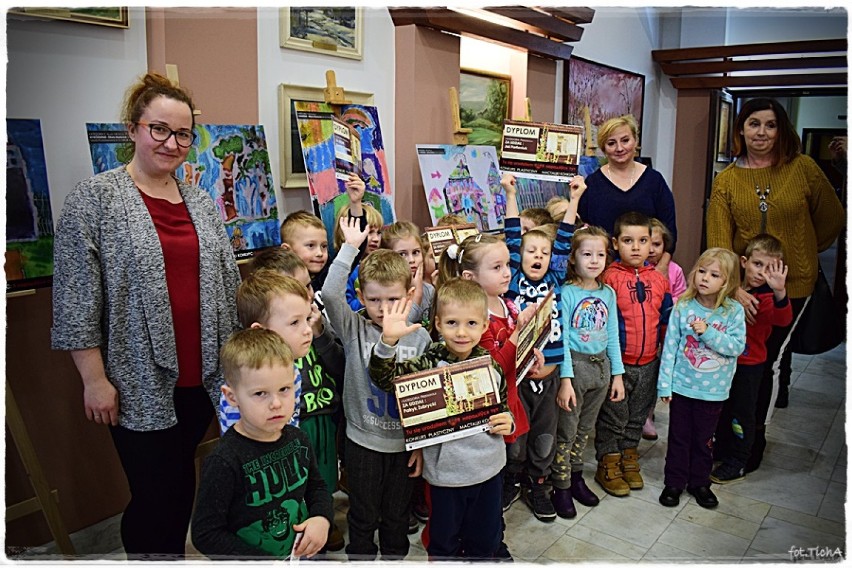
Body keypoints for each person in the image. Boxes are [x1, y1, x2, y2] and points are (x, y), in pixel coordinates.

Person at [51, 72, 240, 558]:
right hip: (136, 382)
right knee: (154, 495)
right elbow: (75, 301)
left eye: (182, 134)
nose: (171, 143)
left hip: (203, 378)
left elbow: (227, 283)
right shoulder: (95, 199)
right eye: (159, 129)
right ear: (133, 128)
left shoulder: (200, 201)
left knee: (180, 490)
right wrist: (94, 380)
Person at [706, 97, 844, 470]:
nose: (761, 132)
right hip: (742, 292)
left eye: (770, 124)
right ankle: (729, 436)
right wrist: (733, 286)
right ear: (741, 130)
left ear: (781, 130)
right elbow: (719, 242)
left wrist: (804, 254)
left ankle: (752, 444)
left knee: (766, 365)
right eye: (753, 124)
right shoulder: (728, 180)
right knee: (737, 365)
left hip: (792, 288)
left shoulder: (803, 169)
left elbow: (832, 218)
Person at [368, 279, 514, 560]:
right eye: (452, 323)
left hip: (489, 472)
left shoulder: (490, 365)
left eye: (471, 323)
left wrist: (508, 422)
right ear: (437, 324)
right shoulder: (428, 362)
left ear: (485, 325)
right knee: (443, 545)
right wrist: (388, 342)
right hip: (445, 479)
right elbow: (385, 378)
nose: (461, 332)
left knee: (485, 541)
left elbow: (503, 408)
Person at [321, 217, 432, 561]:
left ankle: (394, 557)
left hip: (402, 446)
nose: (384, 310)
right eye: (374, 300)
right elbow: (328, 293)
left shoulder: (421, 337)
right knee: (363, 513)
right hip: (362, 444)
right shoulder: (354, 328)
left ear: (410, 295)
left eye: (393, 300)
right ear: (360, 297)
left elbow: (427, 400)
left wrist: (419, 445)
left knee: (397, 515)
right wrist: (349, 248)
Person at [191, 328, 333, 559]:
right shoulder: (224, 461)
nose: (276, 403)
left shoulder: (299, 439)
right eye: (260, 394)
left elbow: (316, 487)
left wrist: (321, 518)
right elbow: (206, 533)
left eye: (284, 389)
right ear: (232, 397)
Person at [248, 249, 347, 551]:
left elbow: (339, 366)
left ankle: (320, 520)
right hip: (293, 428)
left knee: (322, 478)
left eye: (308, 285)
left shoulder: (311, 326)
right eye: (299, 288)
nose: (309, 294)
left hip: (323, 418)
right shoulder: (260, 364)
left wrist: (318, 332)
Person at [501, 172, 585, 522]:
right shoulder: (512, 283)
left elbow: (565, 239)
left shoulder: (555, 281)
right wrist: (510, 193)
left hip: (548, 379)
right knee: (515, 439)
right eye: (530, 251)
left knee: (544, 438)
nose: (538, 256)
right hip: (517, 379)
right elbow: (509, 236)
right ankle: (512, 480)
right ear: (519, 256)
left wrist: (575, 198)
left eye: (544, 252)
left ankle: (539, 483)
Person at [657, 249, 746, 509]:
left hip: (713, 392)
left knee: (704, 440)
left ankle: (699, 482)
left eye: (714, 274)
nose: (705, 278)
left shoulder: (733, 312)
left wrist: (707, 333)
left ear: (726, 282)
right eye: (702, 272)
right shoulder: (683, 307)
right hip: (683, 387)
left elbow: (736, 346)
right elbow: (670, 347)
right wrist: (665, 384)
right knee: (679, 437)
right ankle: (674, 482)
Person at [597, 212, 672, 496]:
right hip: (619, 364)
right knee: (614, 416)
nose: (637, 247)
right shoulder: (609, 278)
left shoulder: (659, 279)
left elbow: (666, 320)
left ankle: (629, 458)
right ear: (616, 243)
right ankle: (609, 462)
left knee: (637, 416)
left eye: (644, 241)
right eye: (628, 241)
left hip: (650, 362)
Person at [552, 225, 625, 519]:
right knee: (567, 430)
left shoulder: (608, 293)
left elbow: (612, 334)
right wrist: (566, 379)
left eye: (600, 254)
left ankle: (577, 475)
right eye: (587, 254)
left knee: (585, 429)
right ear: (573, 258)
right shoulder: (567, 292)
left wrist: (617, 374)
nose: (594, 260)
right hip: (575, 368)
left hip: (601, 368)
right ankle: (561, 483)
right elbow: (563, 338)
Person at [712, 235, 791, 484]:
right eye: (757, 264)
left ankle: (739, 460)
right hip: (723, 362)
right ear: (744, 262)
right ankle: (722, 449)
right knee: (722, 410)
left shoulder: (767, 300)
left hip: (749, 366)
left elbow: (783, 319)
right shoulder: (730, 287)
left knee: (742, 414)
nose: (761, 272)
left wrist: (780, 291)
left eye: (769, 268)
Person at [577, 115, 678, 271]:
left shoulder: (654, 181)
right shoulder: (592, 184)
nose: (619, 148)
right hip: (604, 270)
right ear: (603, 148)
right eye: (611, 143)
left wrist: (662, 267)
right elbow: (583, 230)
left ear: (635, 141)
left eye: (625, 140)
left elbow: (669, 229)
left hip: (649, 270)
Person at [642, 218, 687, 441]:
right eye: (646, 243)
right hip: (643, 328)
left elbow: (681, 296)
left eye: (657, 244)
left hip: (666, 329)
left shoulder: (674, 270)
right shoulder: (636, 269)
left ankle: (648, 414)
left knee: (656, 372)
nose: (651, 250)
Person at [382, 220, 434, 326]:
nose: (411, 260)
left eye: (416, 252)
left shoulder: (429, 290)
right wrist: (417, 296)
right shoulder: (385, 293)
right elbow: (399, 329)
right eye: (402, 254)